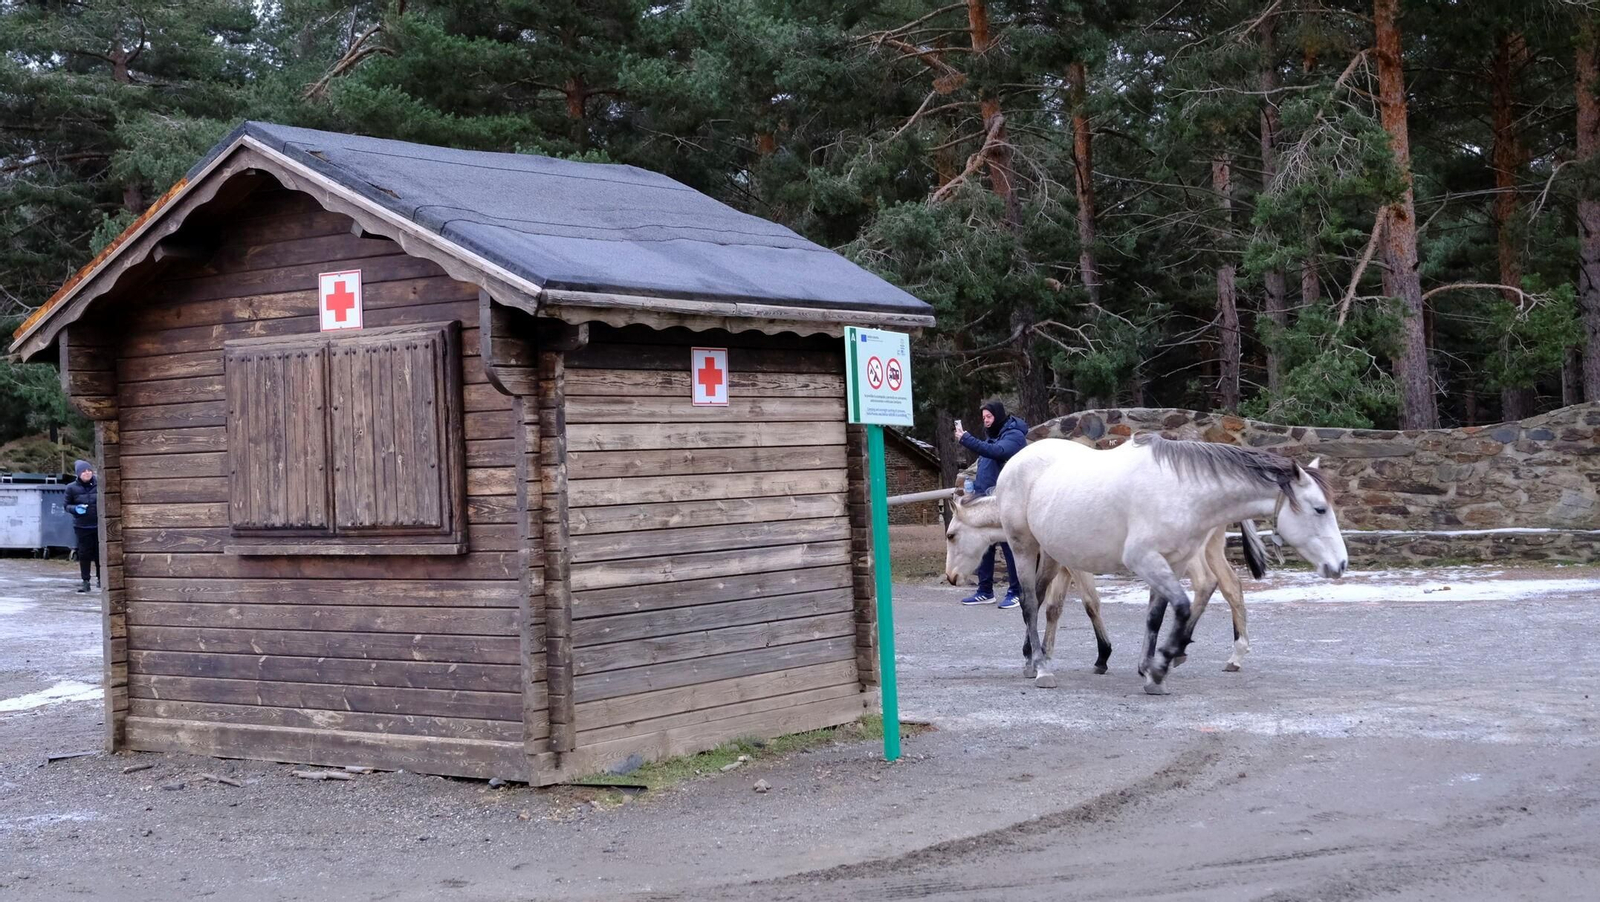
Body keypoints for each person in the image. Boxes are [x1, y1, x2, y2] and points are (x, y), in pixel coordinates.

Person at [954, 401, 1028, 609]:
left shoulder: (1014, 435)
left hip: (1004, 500)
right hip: (984, 498)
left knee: (1008, 545)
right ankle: (985, 590)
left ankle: (1016, 591)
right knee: (984, 543)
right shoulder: (992, 436)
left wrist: (966, 439)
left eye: (989, 417)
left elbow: (997, 452)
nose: (986, 420)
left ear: (998, 416)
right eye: (984, 417)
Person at [64, 459, 100, 593]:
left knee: (99, 554)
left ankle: (101, 579)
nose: (87, 473)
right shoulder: (71, 488)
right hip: (82, 526)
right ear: (78, 474)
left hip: (98, 525)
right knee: (84, 554)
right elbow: (66, 506)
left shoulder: (100, 484)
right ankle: (85, 581)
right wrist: (75, 509)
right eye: (84, 471)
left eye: (89, 470)